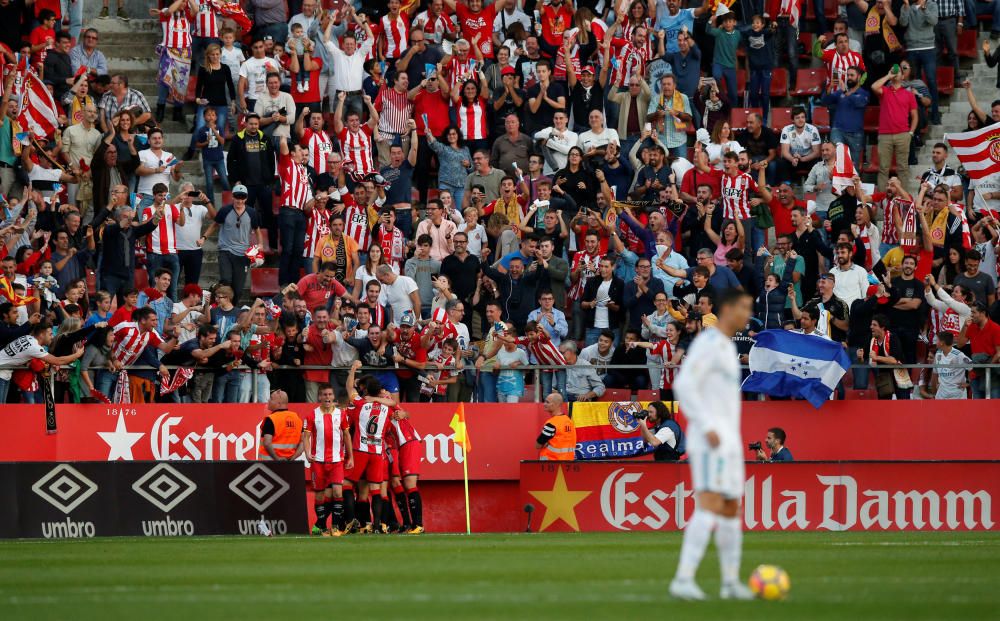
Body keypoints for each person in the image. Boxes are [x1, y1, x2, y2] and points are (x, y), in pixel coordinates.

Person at [669, 289, 755, 601]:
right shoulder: (707, 343)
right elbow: (683, 384)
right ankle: (683, 578)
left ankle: (730, 582)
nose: (747, 315)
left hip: (729, 438)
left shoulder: (726, 346)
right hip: (710, 439)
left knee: (732, 508)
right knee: (709, 504)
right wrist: (706, 425)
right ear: (728, 308)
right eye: (743, 308)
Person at [303, 384, 353, 536]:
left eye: (330, 394)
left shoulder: (341, 414)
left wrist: (350, 456)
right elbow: (306, 436)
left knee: (338, 492)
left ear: (333, 397)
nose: (327, 397)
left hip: (337, 461)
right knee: (319, 495)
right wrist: (307, 452)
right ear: (319, 397)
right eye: (324, 395)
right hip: (318, 461)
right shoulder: (312, 415)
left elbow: (346, 435)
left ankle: (336, 526)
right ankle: (321, 527)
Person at [0, 322, 85, 404]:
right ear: (41, 335)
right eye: (50, 334)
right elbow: (58, 361)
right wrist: (77, 355)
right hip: (2, 372)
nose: (52, 337)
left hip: (5, 372)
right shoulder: (34, 347)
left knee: (3, 408)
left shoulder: (27, 337)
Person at [258, 389, 305, 461]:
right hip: (289, 465)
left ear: (279, 403)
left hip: (268, 465)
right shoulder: (296, 418)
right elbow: (303, 442)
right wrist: (293, 458)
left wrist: (277, 459)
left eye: (271, 398)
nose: (268, 400)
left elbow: (267, 443)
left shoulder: (271, 419)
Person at [927, 331, 971, 400]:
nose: (935, 341)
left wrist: (968, 383)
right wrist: (934, 392)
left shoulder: (958, 355)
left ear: (942, 343)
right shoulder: (938, 354)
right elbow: (934, 374)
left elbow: (972, 367)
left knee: (958, 411)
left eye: (937, 340)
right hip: (942, 394)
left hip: (957, 394)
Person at [535, 392, 575, 460]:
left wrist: (547, 443)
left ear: (556, 404)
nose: (544, 404)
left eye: (547, 402)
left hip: (551, 465)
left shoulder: (551, 424)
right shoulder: (569, 421)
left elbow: (538, 445)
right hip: (567, 465)